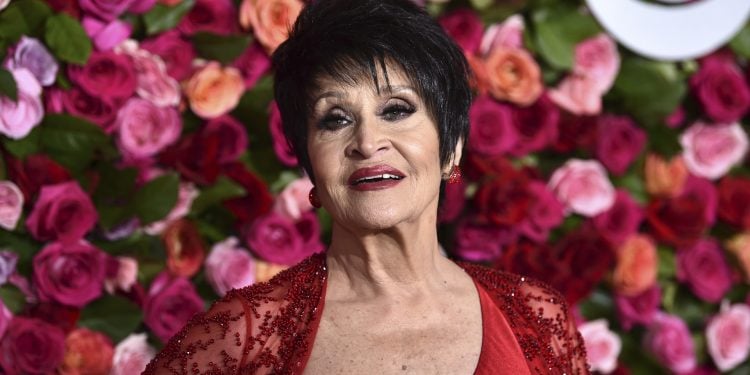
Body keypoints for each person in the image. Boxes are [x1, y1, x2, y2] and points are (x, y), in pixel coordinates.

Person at [143, 0, 589, 374]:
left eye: (396, 109)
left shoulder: (534, 317)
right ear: (311, 166)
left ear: (451, 147)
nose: (367, 142)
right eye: (335, 120)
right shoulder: (242, 340)